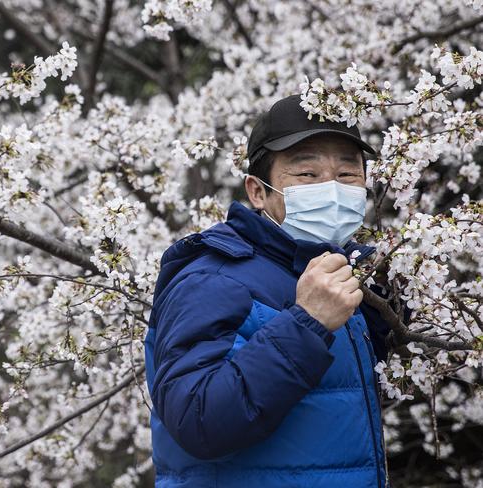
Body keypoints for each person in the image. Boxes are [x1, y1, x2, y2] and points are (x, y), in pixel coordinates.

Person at [144, 93, 393, 488]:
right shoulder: (212, 279)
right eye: (307, 175)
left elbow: (338, 401)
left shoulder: (348, 275)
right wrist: (306, 323)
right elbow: (197, 422)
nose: (331, 188)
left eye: (347, 175)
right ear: (257, 191)